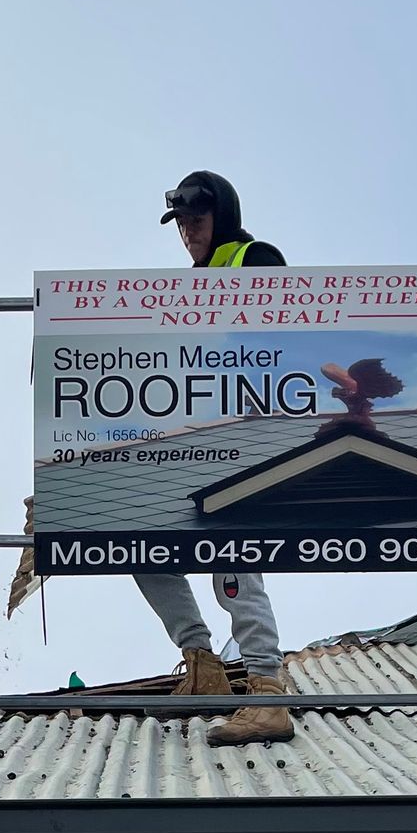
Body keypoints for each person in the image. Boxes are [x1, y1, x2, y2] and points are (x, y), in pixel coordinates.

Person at [136, 172, 295, 746]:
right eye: (179, 223)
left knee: (232, 555)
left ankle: (266, 687)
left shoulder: (254, 258)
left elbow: (281, 342)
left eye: (196, 221)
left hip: (242, 433)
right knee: (135, 540)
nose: (186, 233)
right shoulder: (192, 286)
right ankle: (202, 662)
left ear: (221, 217)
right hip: (191, 435)